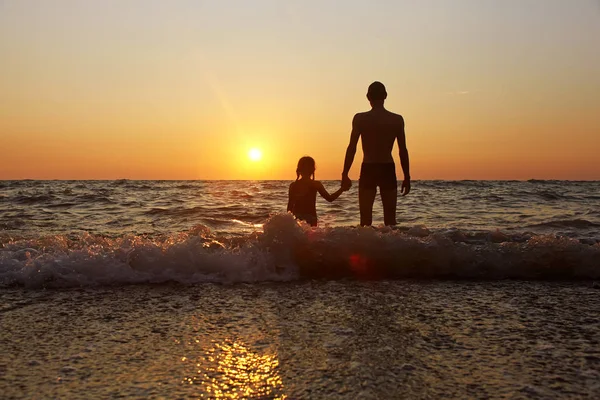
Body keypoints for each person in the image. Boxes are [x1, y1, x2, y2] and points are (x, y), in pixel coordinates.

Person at [341, 81, 411, 226]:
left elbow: (352, 148)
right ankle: (392, 248)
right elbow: (402, 150)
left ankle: (367, 248)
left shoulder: (360, 119)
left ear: (368, 97)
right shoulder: (396, 120)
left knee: (365, 222)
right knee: (390, 221)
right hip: (387, 168)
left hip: (368, 168)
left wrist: (345, 173)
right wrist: (407, 176)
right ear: (385, 96)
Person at [287, 156, 348, 226]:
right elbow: (330, 198)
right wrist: (342, 189)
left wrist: (289, 223)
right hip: (311, 219)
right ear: (313, 169)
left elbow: (289, 208)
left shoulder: (293, 185)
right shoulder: (315, 184)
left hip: (296, 219)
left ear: (299, 169)